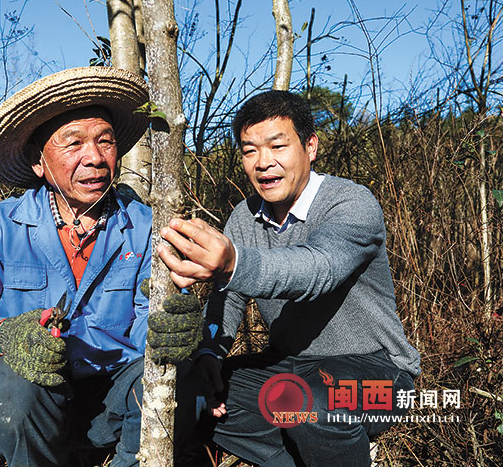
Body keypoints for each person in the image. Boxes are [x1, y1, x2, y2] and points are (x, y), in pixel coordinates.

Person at [0, 67, 200, 467]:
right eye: (74, 143)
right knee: (10, 387)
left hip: (117, 396)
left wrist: (172, 330)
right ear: (39, 162)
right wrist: (3, 335)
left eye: (105, 142)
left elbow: (152, 323)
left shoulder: (146, 228)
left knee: (185, 380)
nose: (95, 157)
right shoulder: (0, 227)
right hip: (37, 400)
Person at [158, 90, 421, 466]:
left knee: (312, 405)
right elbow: (227, 298)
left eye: (277, 146)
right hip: (289, 365)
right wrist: (208, 354)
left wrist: (234, 262)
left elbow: (318, 269)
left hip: (378, 370)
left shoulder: (351, 203)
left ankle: (332, 444)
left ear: (310, 146)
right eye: (249, 151)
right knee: (188, 391)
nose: (263, 163)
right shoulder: (244, 217)